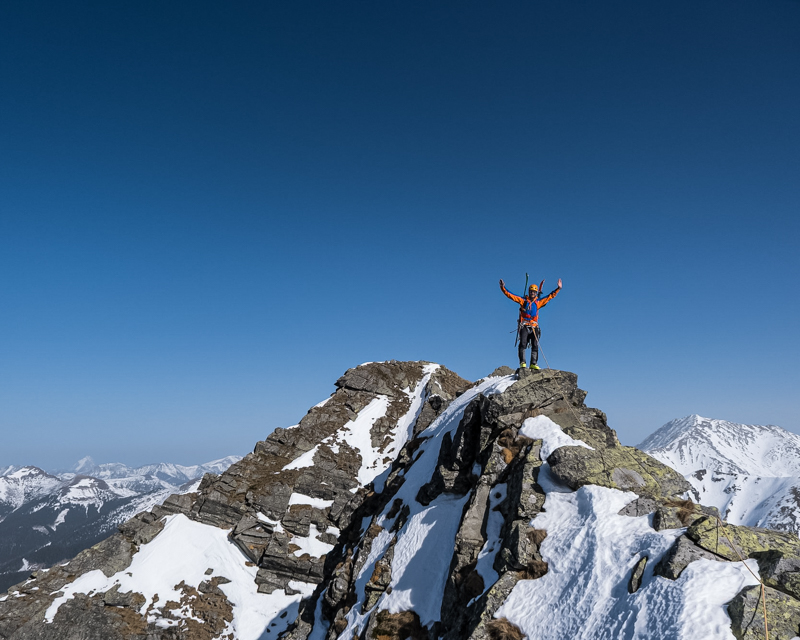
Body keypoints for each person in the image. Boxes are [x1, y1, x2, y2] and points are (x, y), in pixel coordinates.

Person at [499, 277, 562, 369]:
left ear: (536, 293)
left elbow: (550, 296)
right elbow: (510, 295)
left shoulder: (538, 302)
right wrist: (503, 287)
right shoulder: (523, 300)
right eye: (531, 291)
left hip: (534, 326)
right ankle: (522, 362)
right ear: (529, 292)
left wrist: (558, 289)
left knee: (535, 345)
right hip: (524, 325)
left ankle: (533, 363)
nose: (533, 293)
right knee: (523, 343)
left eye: (534, 292)